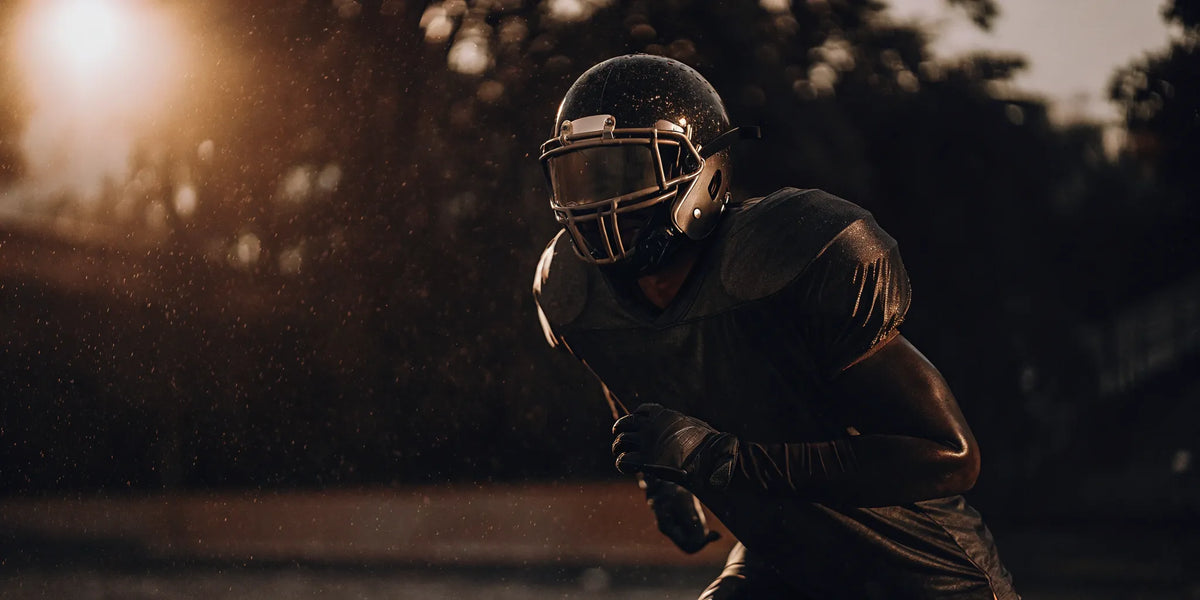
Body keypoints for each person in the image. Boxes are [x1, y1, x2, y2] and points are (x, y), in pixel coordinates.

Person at [532, 53, 1019, 599]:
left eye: (625, 172)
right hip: (784, 557)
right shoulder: (575, 291)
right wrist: (660, 481)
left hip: (915, 570)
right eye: (585, 175)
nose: (602, 202)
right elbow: (624, 358)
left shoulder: (782, 254)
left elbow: (951, 457)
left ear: (704, 171)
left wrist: (726, 461)